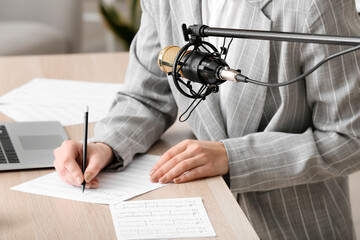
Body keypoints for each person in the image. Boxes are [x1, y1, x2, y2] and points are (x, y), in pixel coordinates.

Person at [54, 0, 360, 239]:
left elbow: (350, 138)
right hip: (199, 212)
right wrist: (107, 145)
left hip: (292, 227)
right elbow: (147, 95)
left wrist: (234, 158)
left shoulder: (317, 6)